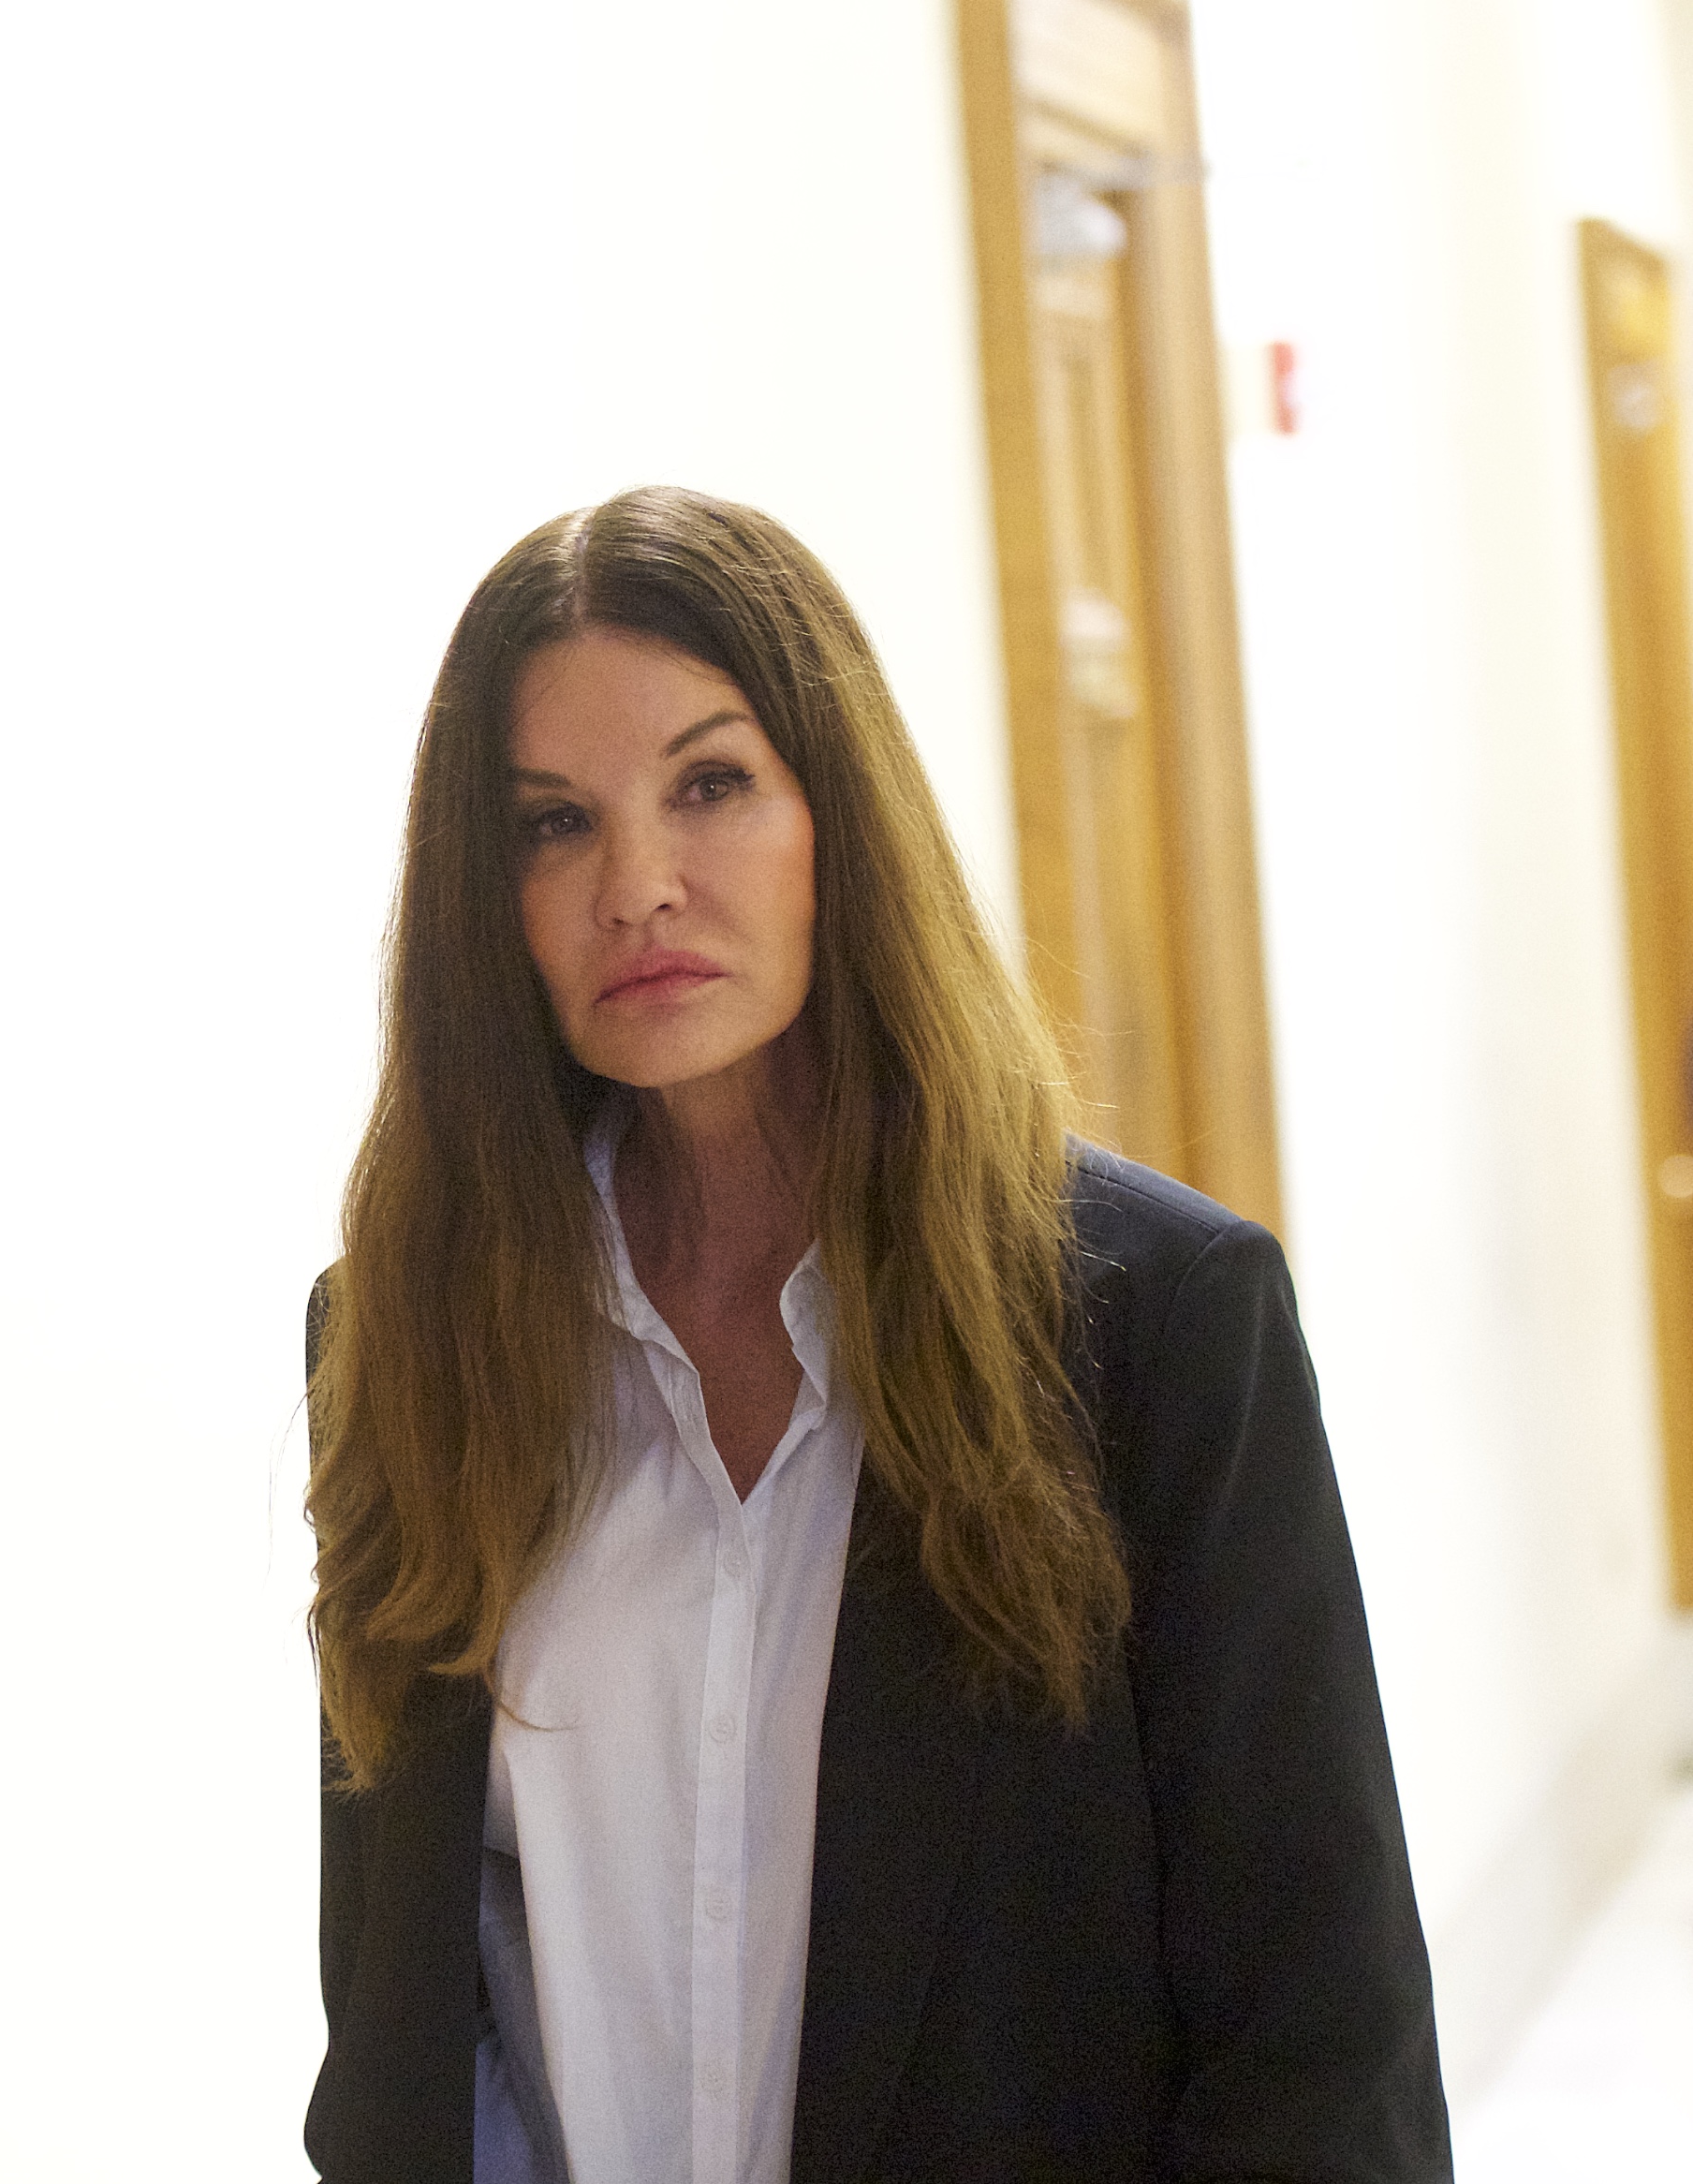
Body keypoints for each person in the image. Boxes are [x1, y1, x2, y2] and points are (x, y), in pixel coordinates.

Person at [302, 488, 1448, 2184]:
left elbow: (1321, 2055)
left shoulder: (1153, 1329)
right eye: (552, 824)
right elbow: (398, 2033)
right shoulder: (401, 1344)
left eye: (710, 785)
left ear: (840, 809)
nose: (638, 886)